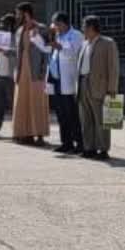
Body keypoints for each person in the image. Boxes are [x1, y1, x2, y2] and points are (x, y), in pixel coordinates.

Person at [77, 15, 119, 160]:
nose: (82, 29)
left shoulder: (108, 43)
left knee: (101, 120)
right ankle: (89, 148)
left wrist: (112, 88)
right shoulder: (84, 44)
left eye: (84, 26)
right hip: (83, 83)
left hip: (100, 86)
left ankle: (103, 149)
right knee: (86, 119)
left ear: (91, 28)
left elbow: (113, 67)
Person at [11, 2, 52, 146]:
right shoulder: (19, 30)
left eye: (18, 13)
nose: (17, 16)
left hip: (37, 71)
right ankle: (24, 133)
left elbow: (47, 50)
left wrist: (44, 71)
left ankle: (39, 135)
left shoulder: (42, 29)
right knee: (22, 101)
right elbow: (17, 52)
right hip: (22, 71)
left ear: (26, 14)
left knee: (37, 102)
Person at [47, 12, 85, 154]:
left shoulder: (76, 35)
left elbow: (75, 53)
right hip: (56, 78)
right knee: (61, 113)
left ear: (64, 23)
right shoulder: (57, 35)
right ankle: (66, 142)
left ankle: (79, 143)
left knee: (72, 114)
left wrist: (59, 47)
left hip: (68, 79)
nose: (55, 27)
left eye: (57, 24)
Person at [0, 14, 18, 140]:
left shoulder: (17, 37)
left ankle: (18, 131)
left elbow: (20, 53)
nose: (1, 26)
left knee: (14, 105)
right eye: (1, 24)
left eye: (4, 24)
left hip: (10, 76)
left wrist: (7, 51)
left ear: (10, 25)